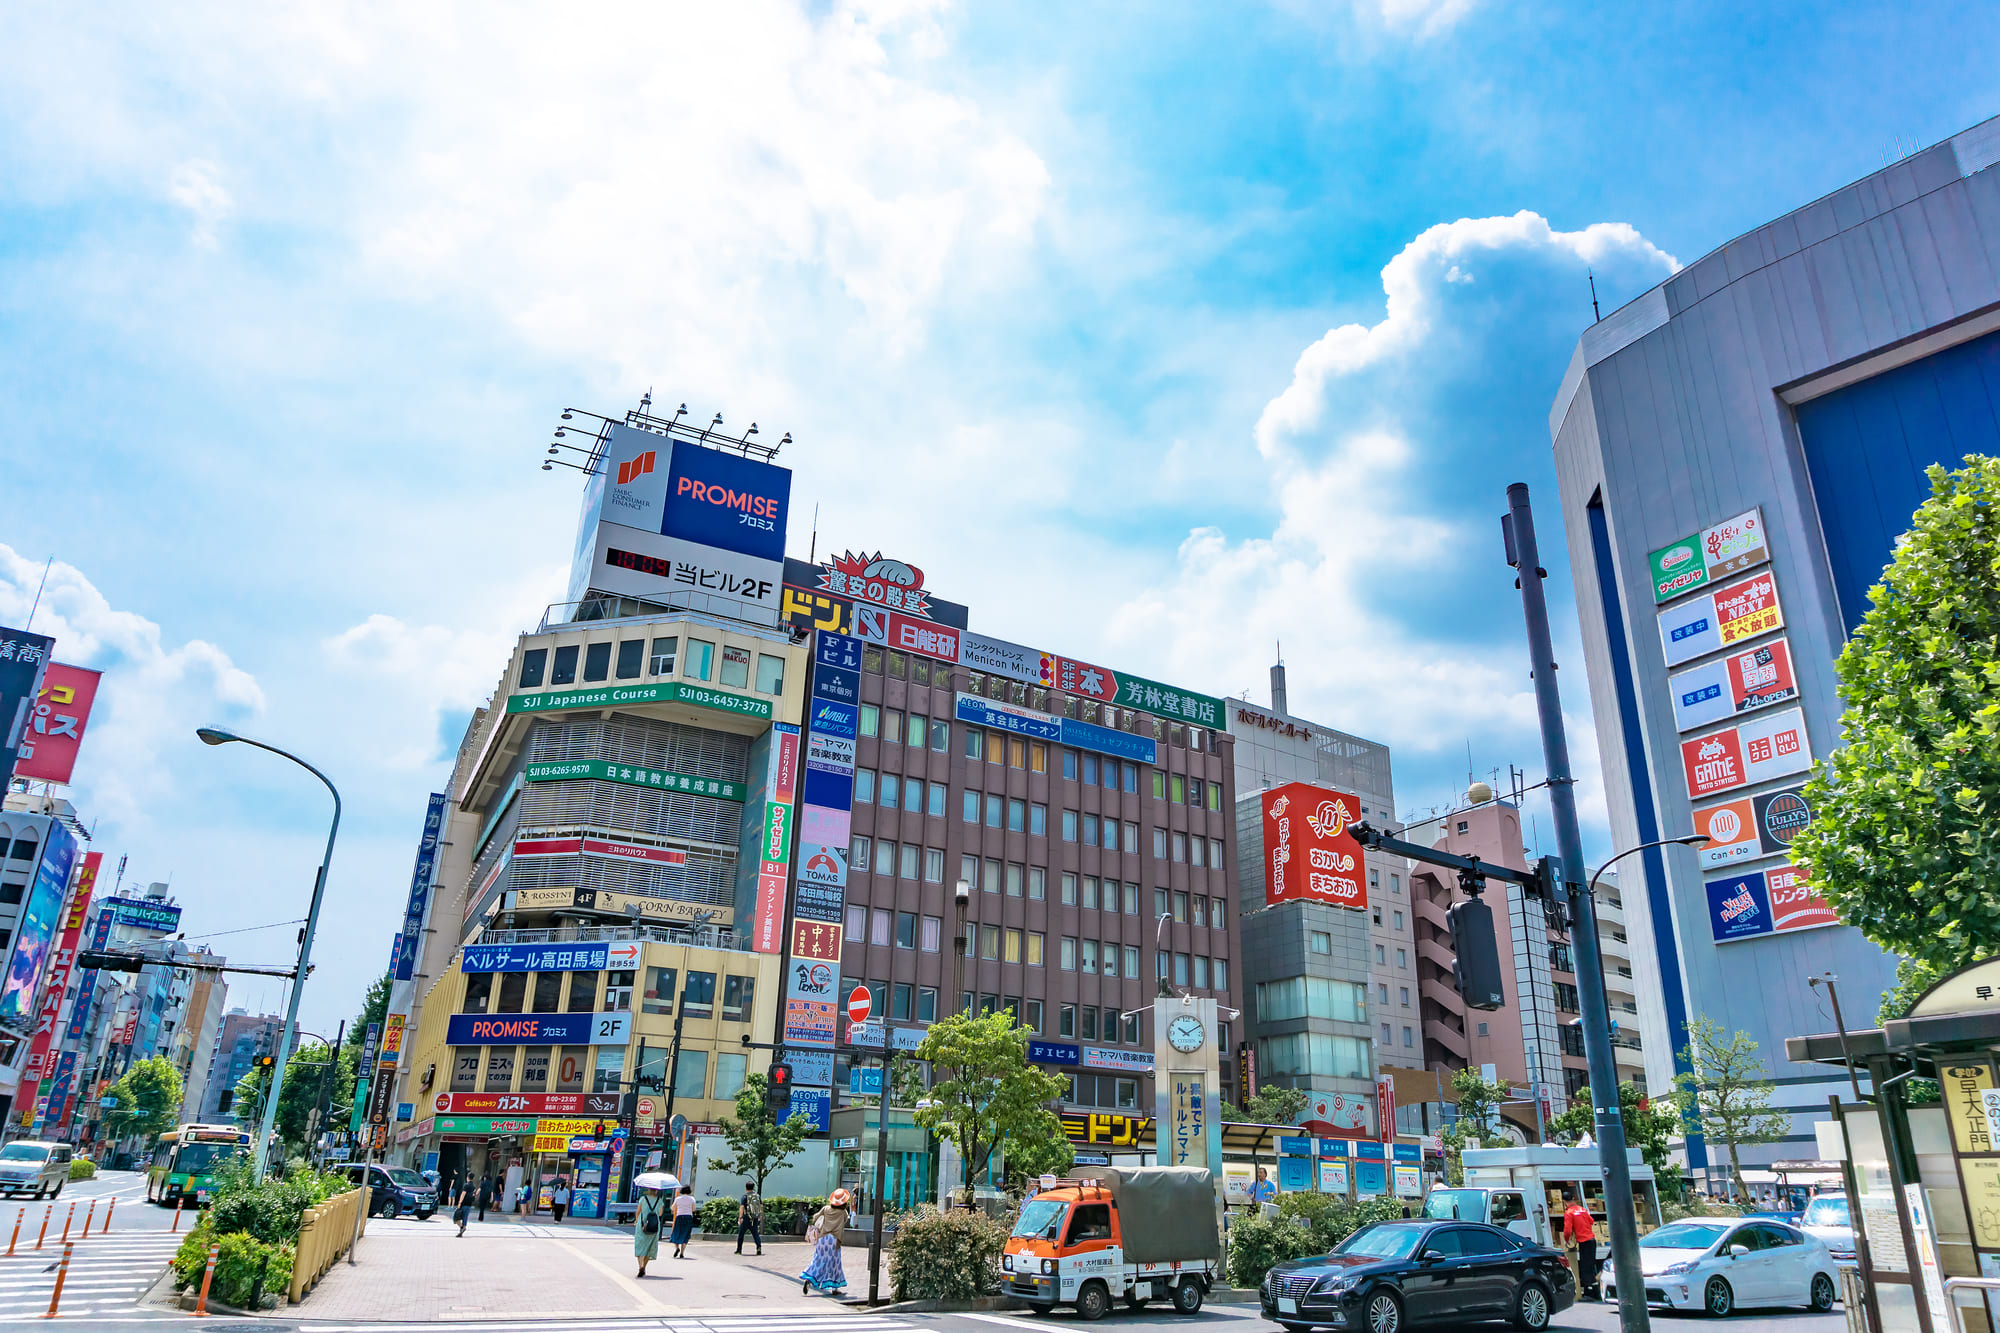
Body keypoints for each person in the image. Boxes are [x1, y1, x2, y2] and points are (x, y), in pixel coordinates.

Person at [800, 1189, 852, 1295]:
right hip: (834, 1239)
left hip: (823, 1239)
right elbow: (846, 1220)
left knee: (818, 1260)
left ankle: (809, 1279)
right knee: (834, 1263)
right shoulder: (843, 1212)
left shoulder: (826, 1209)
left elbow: (815, 1217)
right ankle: (834, 1288)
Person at [1563, 1189, 1600, 1300]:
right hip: (1592, 1240)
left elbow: (1567, 1230)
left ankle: (1589, 1293)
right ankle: (1595, 1291)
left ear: (1564, 1201)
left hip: (1584, 1241)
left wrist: (1566, 1240)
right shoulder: (1582, 1209)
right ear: (1573, 1198)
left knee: (1584, 1267)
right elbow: (1591, 1221)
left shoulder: (1569, 1213)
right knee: (1590, 1265)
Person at [633, 1184, 669, 1277]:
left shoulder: (643, 1199)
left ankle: (640, 1266)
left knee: (640, 1246)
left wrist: (636, 1220)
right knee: (650, 1247)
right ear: (657, 1191)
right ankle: (644, 1267)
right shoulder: (659, 1200)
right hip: (654, 1226)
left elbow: (638, 1212)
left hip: (642, 1225)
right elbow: (660, 1214)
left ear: (648, 1190)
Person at [669, 1185, 699, 1259]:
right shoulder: (692, 1199)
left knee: (676, 1233)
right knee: (685, 1234)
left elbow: (672, 1208)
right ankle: (682, 1253)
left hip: (679, 1217)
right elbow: (693, 1209)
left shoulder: (678, 1199)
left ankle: (677, 1248)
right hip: (688, 1217)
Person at [736, 1182, 763, 1255]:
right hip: (754, 1217)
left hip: (746, 1217)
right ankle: (758, 1248)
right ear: (753, 1187)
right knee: (755, 1233)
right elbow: (761, 1206)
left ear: (746, 1188)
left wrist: (740, 1217)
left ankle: (739, 1250)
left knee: (741, 1234)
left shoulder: (744, 1197)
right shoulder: (757, 1196)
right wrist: (760, 1215)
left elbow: (741, 1207)